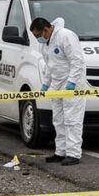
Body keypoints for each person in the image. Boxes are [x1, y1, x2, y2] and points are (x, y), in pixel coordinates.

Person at [29, 16, 86, 166]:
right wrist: (45, 85)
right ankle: (60, 152)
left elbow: (77, 60)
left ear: (46, 29)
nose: (38, 39)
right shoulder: (45, 44)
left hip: (72, 84)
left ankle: (73, 154)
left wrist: (72, 82)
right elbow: (49, 66)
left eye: (38, 35)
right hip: (56, 84)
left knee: (72, 119)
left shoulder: (65, 36)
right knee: (58, 119)